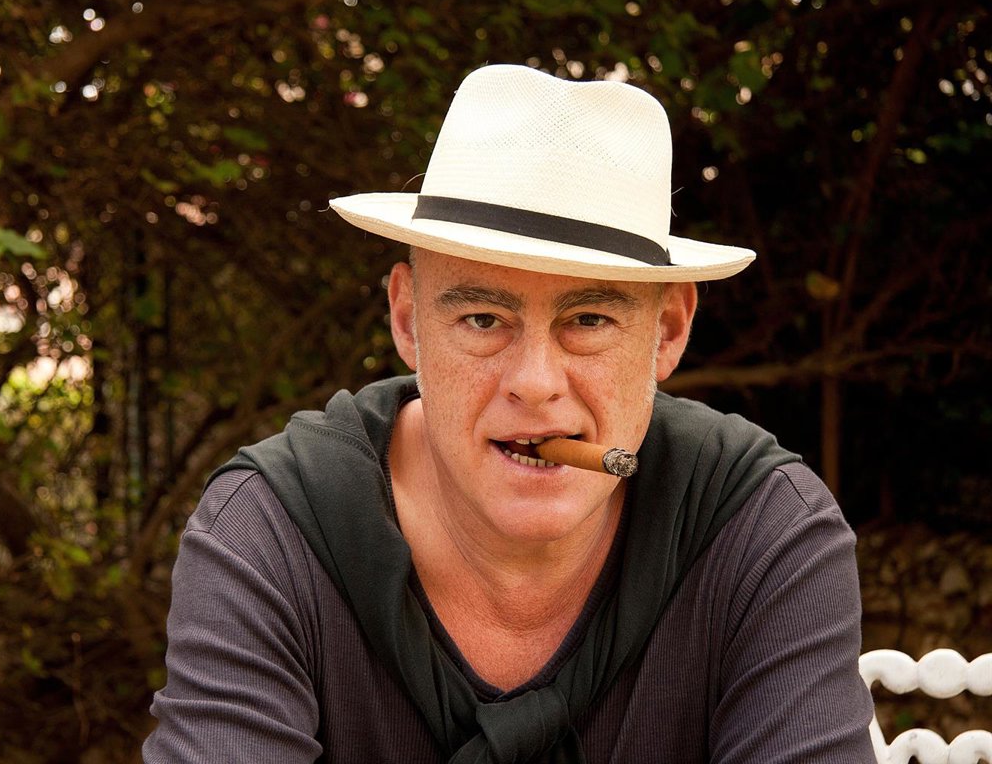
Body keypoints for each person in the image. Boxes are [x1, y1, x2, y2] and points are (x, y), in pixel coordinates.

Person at [143, 64, 877, 763]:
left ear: (668, 330)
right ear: (407, 320)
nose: (534, 383)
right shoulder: (268, 533)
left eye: (588, 320)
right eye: (483, 319)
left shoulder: (764, 530)